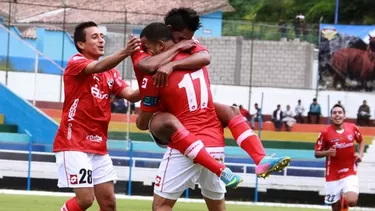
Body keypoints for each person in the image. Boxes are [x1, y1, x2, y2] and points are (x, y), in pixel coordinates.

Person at [134, 7, 290, 179]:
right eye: (181, 38)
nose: (186, 41)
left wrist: (173, 64)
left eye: (189, 38)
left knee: (231, 111)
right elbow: (146, 66)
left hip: (191, 110)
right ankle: (218, 167)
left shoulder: (188, 43)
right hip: (162, 115)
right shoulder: (147, 43)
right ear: (170, 30)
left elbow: (205, 58)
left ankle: (261, 160)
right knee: (170, 121)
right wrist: (175, 52)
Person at [135, 22, 240, 211]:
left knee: (161, 205)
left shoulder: (157, 71)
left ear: (160, 45)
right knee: (217, 207)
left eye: (146, 47)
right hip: (214, 143)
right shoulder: (195, 55)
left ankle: (223, 169)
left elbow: (143, 121)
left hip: (185, 143)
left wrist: (142, 114)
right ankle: (260, 158)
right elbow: (206, 56)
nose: (144, 51)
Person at [53, 21, 141, 211]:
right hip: (74, 142)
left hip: (98, 146)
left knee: (109, 203)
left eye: (102, 36)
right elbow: (97, 67)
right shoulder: (75, 62)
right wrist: (125, 52)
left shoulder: (111, 72)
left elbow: (132, 96)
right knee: (85, 200)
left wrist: (153, 80)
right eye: (95, 37)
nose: (101, 40)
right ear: (81, 44)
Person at [314, 104, 365, 211]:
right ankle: (341, 197)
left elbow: (361, 141)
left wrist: (360, 154)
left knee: (352, 201)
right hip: (332, 174)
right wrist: (327, 152)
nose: (337, 115)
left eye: (340, 112)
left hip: (349, 171)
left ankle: (344, 197)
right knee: (335, 207)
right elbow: (317, 153)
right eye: (334, 113)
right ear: (331, 117)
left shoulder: (352, 128)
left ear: (344, 116)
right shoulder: (324, 133)